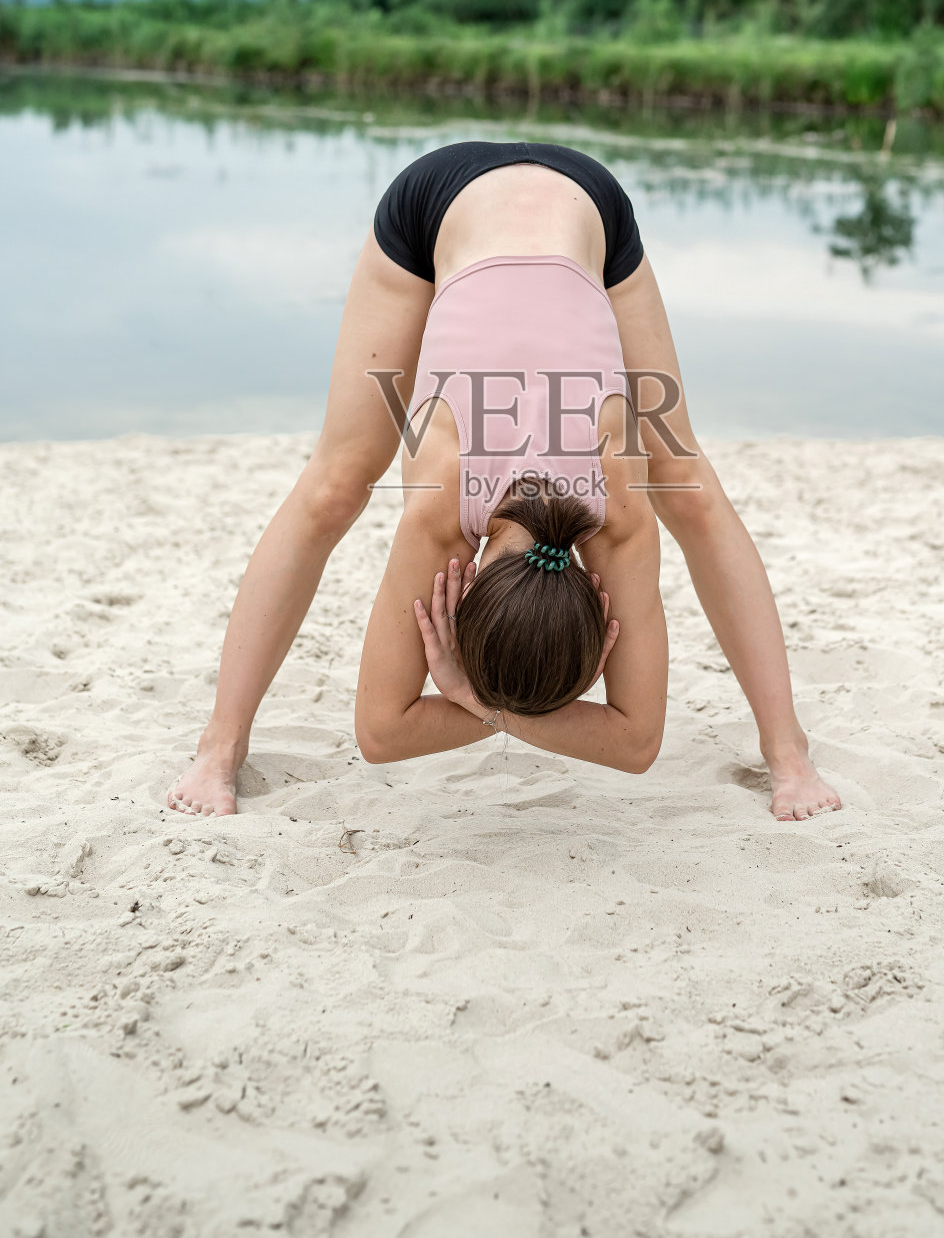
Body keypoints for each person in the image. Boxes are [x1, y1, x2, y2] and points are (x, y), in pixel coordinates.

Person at [167, 141, 841, 821]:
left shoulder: (612, 518)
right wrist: (499, 705)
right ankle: (218, 748)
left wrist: (476, 699)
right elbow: (380, 733)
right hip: (448, 211)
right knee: (337, 485)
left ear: (598, 609)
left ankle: (789, 752)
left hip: (578, 216)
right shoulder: (452, 508)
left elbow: (638, 743)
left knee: (685, 487)